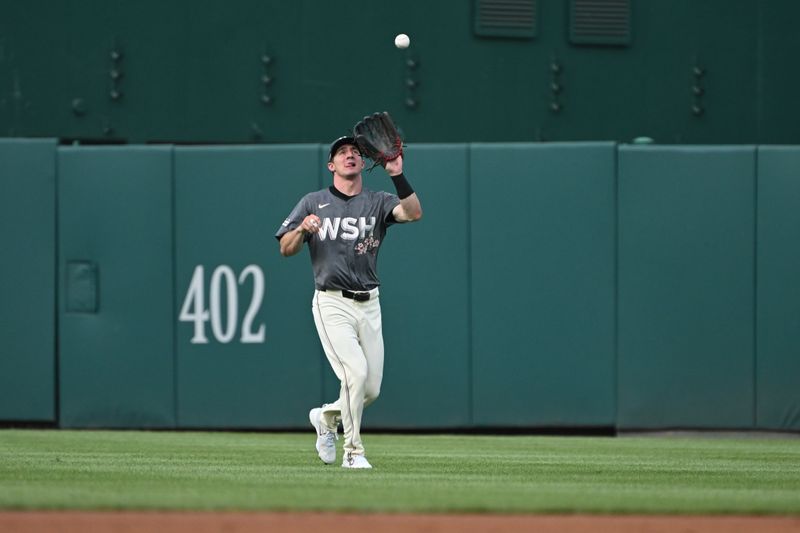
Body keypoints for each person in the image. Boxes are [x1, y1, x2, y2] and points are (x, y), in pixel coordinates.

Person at [275, 136, 422, 469]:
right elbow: (285, 248)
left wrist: (397, 174)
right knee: (355, 373)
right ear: (332, 165)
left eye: (355, 152)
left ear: (362, 163)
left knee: (370, 389)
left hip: (370, 302)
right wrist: (301, 229)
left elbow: (413, 213)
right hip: (332, 302)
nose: (350, 155)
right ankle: (353, 453)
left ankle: (325, 417)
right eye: (342, 152)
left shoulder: (378, 200)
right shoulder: (313, 202)